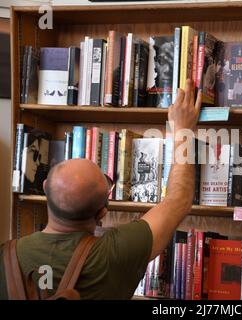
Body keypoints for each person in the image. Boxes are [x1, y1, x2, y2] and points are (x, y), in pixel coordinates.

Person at [0, 79, 202, 300]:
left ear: (45, 189)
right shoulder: (116, 254)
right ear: (102, 213)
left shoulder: (5, 256)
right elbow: (178, 199)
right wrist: (183, 130)